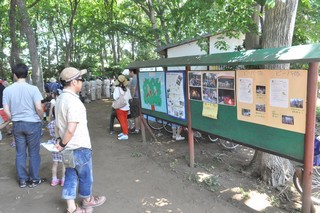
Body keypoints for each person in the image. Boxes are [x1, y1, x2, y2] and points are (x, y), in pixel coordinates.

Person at [55, 67, 106, 213]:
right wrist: (63, 143)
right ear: (74, 82)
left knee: (70, 175)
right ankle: (87, 201)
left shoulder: (59, 99)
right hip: (79, 146)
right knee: (85, 176)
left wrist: (60, 143)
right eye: (81, 80)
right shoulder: (74, 102)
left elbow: (59, 125)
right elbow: (71, 128)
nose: (82, 82)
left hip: (67, 148)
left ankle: (72, 208)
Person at [3, 63, 44, 188]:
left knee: (20, 153)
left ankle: (22, 180)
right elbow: (38, 107)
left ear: (14, 75)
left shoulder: (7, 90)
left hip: (17, 124)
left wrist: (12, 118)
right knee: (34, 153)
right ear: (27, 74)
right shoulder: (33, 89)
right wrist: (41, 118)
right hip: (32, 124)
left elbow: (6, 110)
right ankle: (34, 179)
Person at [47, 92, 65, 187]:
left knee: (55, 163)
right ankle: (63, 180)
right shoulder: (62, 124)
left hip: (54, 144)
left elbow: (51, 132)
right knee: (63, 164)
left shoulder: (51, 124)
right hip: (62, 144)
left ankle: (54, 179)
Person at [113, 75, 132, 140]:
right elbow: (129, 97)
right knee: (125, 120)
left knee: (122, 121)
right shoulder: (127, 89)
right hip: (126, 107)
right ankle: (124, 132)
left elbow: (115, 97)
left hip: (120, 107)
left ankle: (125, 134)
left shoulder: (117, 89)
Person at [128, 69, 141, 134]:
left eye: (129, 72)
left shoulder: (134, 79)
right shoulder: (139, 77)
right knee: (139, 114)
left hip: (135, 98)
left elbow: (133, 89)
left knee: (135, 115)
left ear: (132, 72)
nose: (129, 73)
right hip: (139, 98)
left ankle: (136, 129)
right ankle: (138, 127)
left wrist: (131, 98)